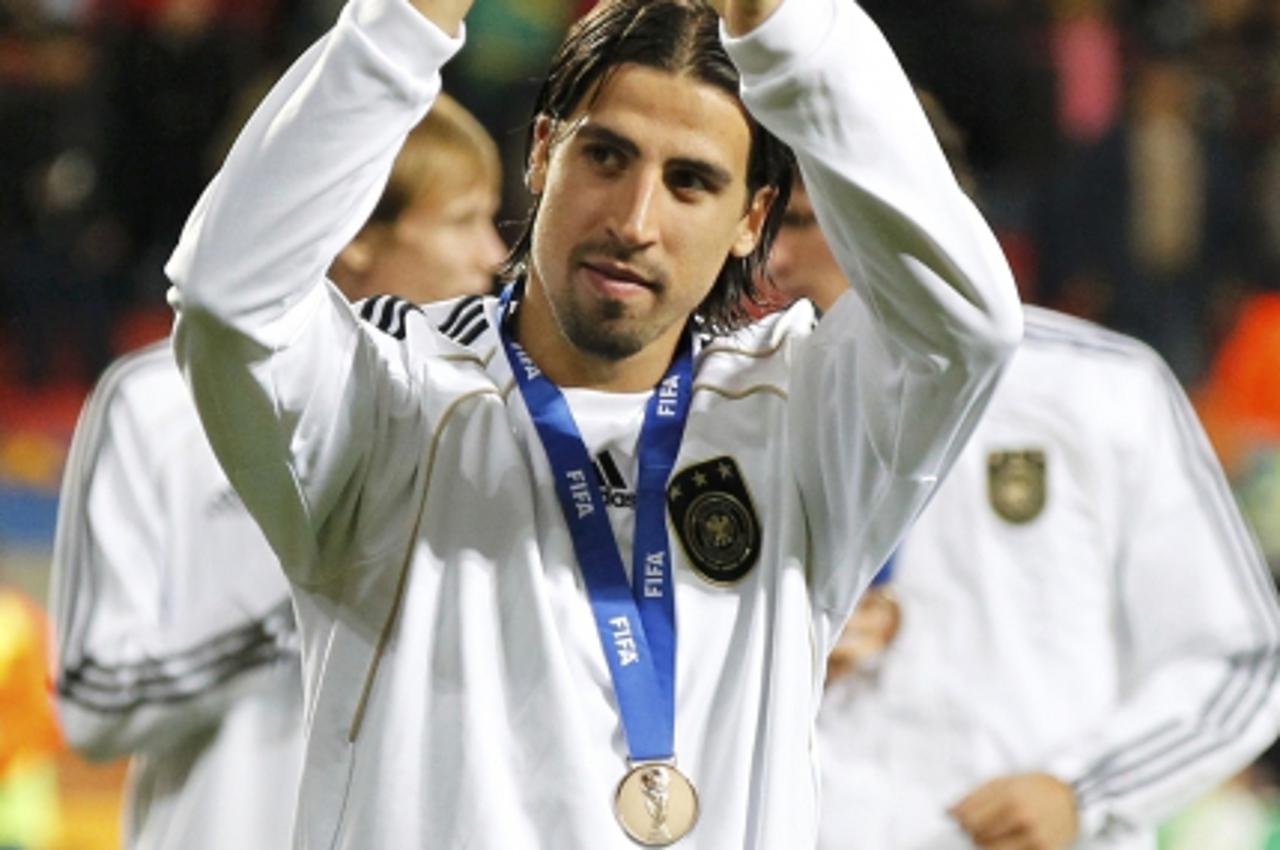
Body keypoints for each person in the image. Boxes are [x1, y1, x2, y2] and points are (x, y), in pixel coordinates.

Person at [164, 0, 1022, 846]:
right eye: (606, 157)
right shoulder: (389, 403)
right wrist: (405, 23)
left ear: (752, 220)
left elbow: (967, 327)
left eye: (691, 181)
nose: (634, 222)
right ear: (542, 153)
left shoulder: (801, 420)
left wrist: (788, 31)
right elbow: (228, 301)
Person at [767, 100, 1280, 850]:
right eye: (768, 219)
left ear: (919, 217)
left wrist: (1082, 791)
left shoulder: (1100, 389)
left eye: (808, 221)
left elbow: (1239, 658)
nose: (774, 257)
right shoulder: (743, 402)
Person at [48, 93, 505, 850]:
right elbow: (93, 703)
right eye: (464, 219)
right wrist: (298, 601)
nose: (493, 253)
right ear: (355, 232)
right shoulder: (157, 402)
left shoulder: (484, 414)